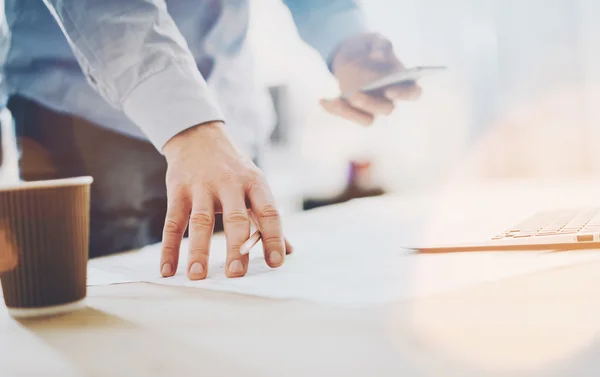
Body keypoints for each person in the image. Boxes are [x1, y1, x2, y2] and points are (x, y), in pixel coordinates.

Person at [0, 0, 421, 279]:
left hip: (229, 113)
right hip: (89, 117)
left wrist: (344, 39)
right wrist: (188, 124)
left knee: (240, 311)